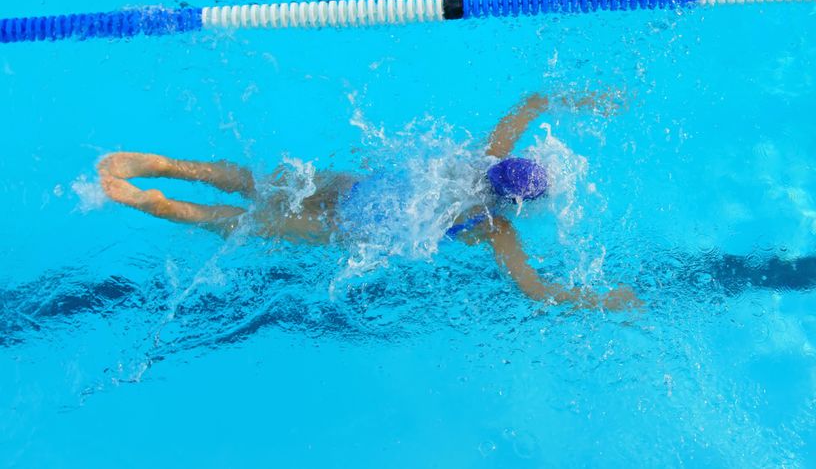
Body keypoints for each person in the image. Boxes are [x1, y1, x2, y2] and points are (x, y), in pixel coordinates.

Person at [97, 92, 641, 311]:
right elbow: (535, 288)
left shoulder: (486, 155)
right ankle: (164, 206)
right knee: (253, 223)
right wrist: (599, 299)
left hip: (355, 187)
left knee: (260, 182)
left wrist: (581, 100)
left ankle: (165, 165)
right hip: (355, 231)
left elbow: (528, 104)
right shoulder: (496, 227)